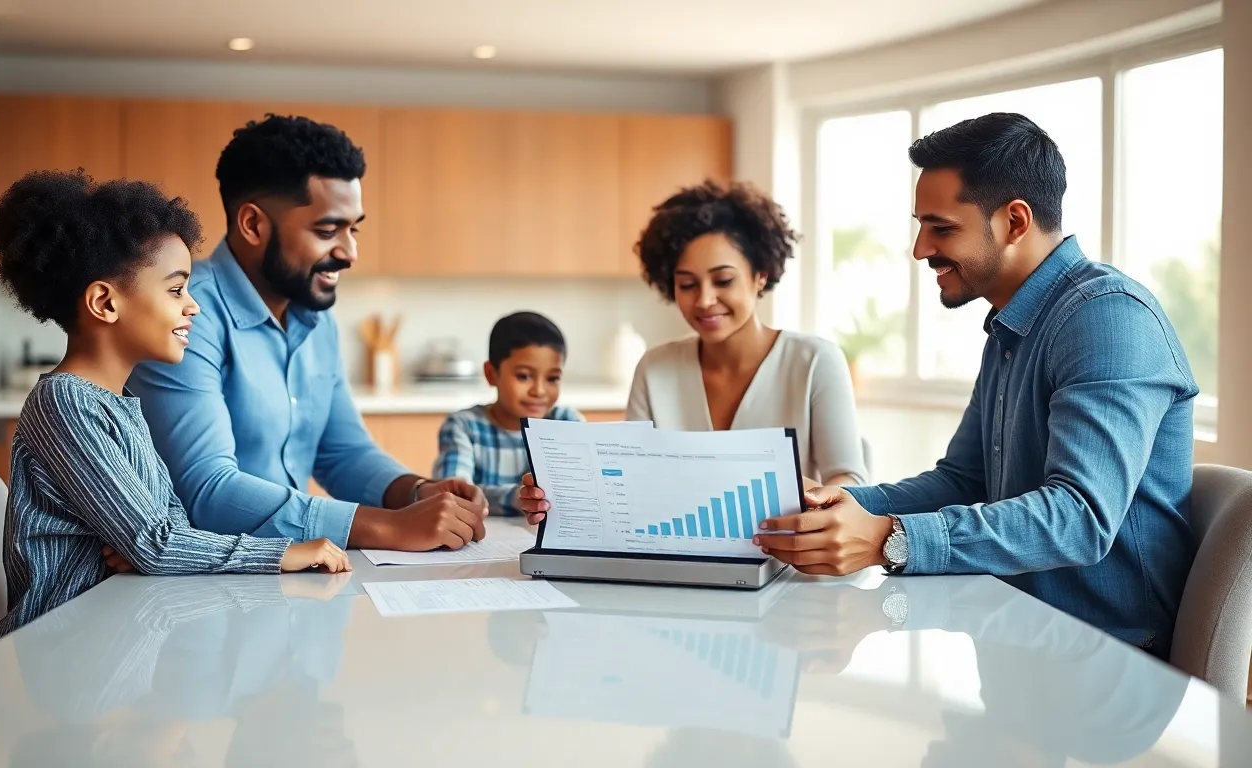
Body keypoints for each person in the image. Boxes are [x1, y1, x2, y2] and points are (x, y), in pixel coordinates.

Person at [753, 113, 1198, 659]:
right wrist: (846, 503)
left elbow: (1080, 519)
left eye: (941, 228)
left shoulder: (1106, 320)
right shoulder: (1012, 328)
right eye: (921, 226)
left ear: (1014, 221)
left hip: (1109, 658)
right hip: (1018, 632)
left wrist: (887, 538)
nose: (920, 249)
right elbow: (966, 480)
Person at [0, 170, 350, 637]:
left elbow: (165, 530)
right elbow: (158, 543)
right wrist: (281, 551)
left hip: (117, 628)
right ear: (104, 302)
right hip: (64, 648)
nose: (192, 306)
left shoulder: (117, 403)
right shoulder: (65, 404)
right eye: (176, 289)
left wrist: (151, 547)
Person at [126, 115, 489, 556]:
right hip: (201, 580)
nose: (350, 252)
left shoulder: (318, 320)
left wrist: (417, 492)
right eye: (326, 230)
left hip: (287, 567)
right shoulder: (188, 313)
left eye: (353, 229)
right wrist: (386, 527)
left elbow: (342, 452)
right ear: (253, 225)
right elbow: (208, 493)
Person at [624, 180, 867, 486]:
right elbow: (630, 477)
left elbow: (849, 479)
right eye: (687, 285)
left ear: (760, 276)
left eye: (723, 280)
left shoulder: (815, 361)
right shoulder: (655, 368)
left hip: (788, 533)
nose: (704, 300)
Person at [432, 311, 583, 517]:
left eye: (552, 378)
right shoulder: (463, 427)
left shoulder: (567, 423)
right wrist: (517, 498)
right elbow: (455, 495)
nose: (538, 390)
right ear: (491, 374)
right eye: (524, 376)